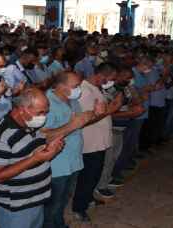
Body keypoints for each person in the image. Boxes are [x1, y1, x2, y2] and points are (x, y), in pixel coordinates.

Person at [0, 88, 65, 228]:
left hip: (35, 200)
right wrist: (35, 159)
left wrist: (51, 151)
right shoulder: (0, 134)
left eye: (46, 112)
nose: (44, 117)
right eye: (40, 112)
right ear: (22, 110)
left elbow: (31, 156)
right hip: (16, 208)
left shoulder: (32, 125)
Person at [42, 71, 103, 228]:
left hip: (73, 161)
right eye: (75, 86)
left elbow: (80, 122)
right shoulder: (47, 103)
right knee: (52, 204)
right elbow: (44, 137)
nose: (79, 90)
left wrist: (96, 114)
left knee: (63, 199)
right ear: (61, 86)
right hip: (57, 165)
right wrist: (72, 125)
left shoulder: (71, 100)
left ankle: (59, 223)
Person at [72, 63, 123, 222]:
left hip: (99, 141)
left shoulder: (97, 88)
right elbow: (87, 119)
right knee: (87, 176)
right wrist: (111, 110)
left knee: (95, 174)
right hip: (91, 142)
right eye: (111, 78)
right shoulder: (85, 91)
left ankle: (88, 198)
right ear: (102, 76)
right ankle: (79, 208)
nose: (112, 82)